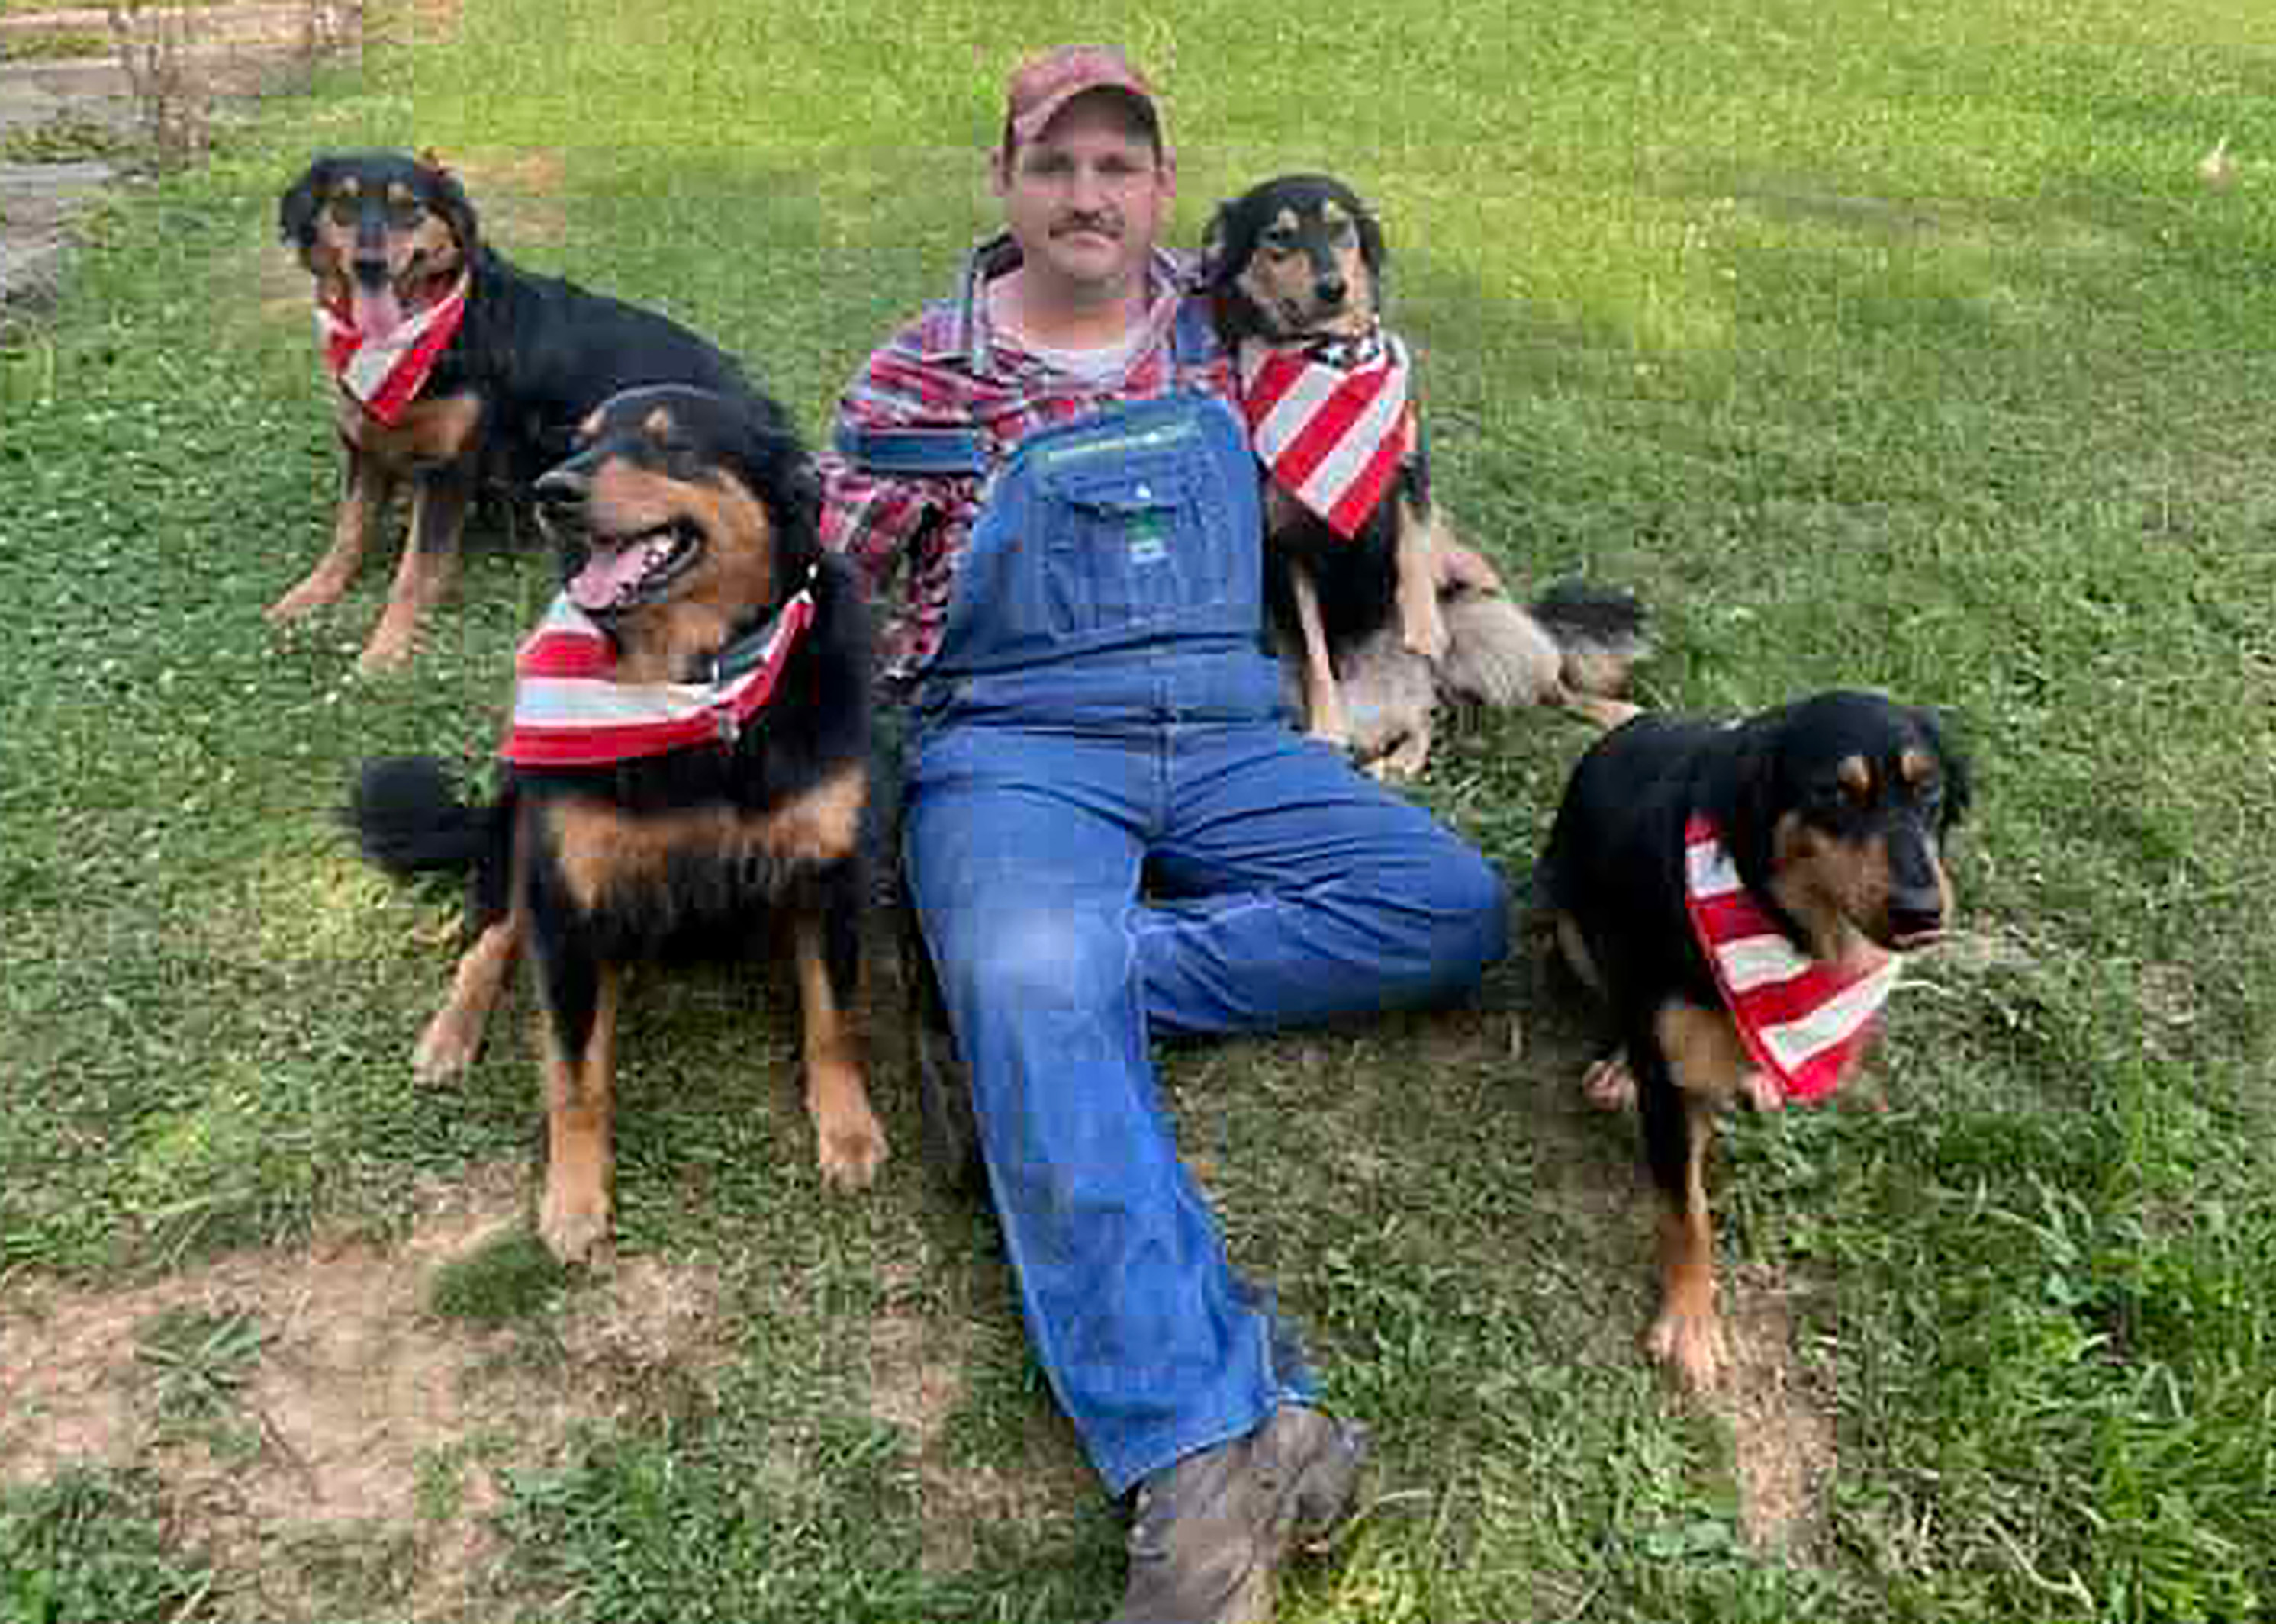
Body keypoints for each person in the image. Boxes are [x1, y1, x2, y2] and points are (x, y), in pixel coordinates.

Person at [819, 45, 1508, 1624]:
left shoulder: (1224, 315)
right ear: (1005, 182)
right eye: (1055, 164)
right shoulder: (918, 375)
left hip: (1225, 728)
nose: (1088, 195)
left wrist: (1438, 555)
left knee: (1449, 905)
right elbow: (832, 588)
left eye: (1118, 165)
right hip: (1017, 746)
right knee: (1034, 974)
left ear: (1163, 191)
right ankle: (1208, 1451)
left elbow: (1366, 397)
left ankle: (1018, 1011)